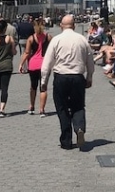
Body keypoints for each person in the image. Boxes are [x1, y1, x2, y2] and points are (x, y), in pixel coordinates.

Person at [40, 14, 95, 150]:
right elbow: (90, 62)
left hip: (61, 77)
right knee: (78, 106)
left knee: (62, 108)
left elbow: (47, 63)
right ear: (74, 26)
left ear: (61, 26)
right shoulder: (82, 39)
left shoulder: (56, 40)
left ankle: (66, 140)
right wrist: (89, 78)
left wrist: (44, 82)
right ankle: (79, 128)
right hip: (77, 77)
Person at [19, 17, 50, 116]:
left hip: (33, 65)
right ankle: (42, 110)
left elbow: (27, 53)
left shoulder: (31, 38)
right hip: (44, 65)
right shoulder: (48, 37)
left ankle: (31, 107)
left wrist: (21, 64)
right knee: (43, 87)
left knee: (33, 86)